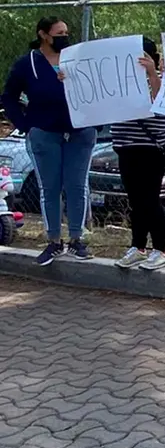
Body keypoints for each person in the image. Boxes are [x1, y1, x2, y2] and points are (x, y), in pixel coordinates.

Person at [1, 17, 97, 265]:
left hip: (80, 132)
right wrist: (25, 126)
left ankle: (78, 239)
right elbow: (9, 96)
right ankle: (54, 240)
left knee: (77, 186)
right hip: (44, 133)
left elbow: (98, 88)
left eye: (67, 32)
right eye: (59, 33)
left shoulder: (77, 60)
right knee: (50, 188)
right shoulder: (28, 64)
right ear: (44, 35)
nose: (65, 37)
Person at [112, 37, 165, 270]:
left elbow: (163, 103)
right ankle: (137, 247)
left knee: (150, 200)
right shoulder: (117, 81)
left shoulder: (161, 79)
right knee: (136, 201)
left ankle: (162, 249)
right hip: (125, 146)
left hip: (150, 148)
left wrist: (152, 75)